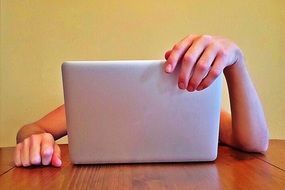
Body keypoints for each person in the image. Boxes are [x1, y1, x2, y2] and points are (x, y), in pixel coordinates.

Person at [14, 35, 269, 167]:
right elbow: (30, 129)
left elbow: (254, 143)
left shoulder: (191, 97)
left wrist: (236, 62)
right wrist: (35, 139)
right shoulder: (97, 102)